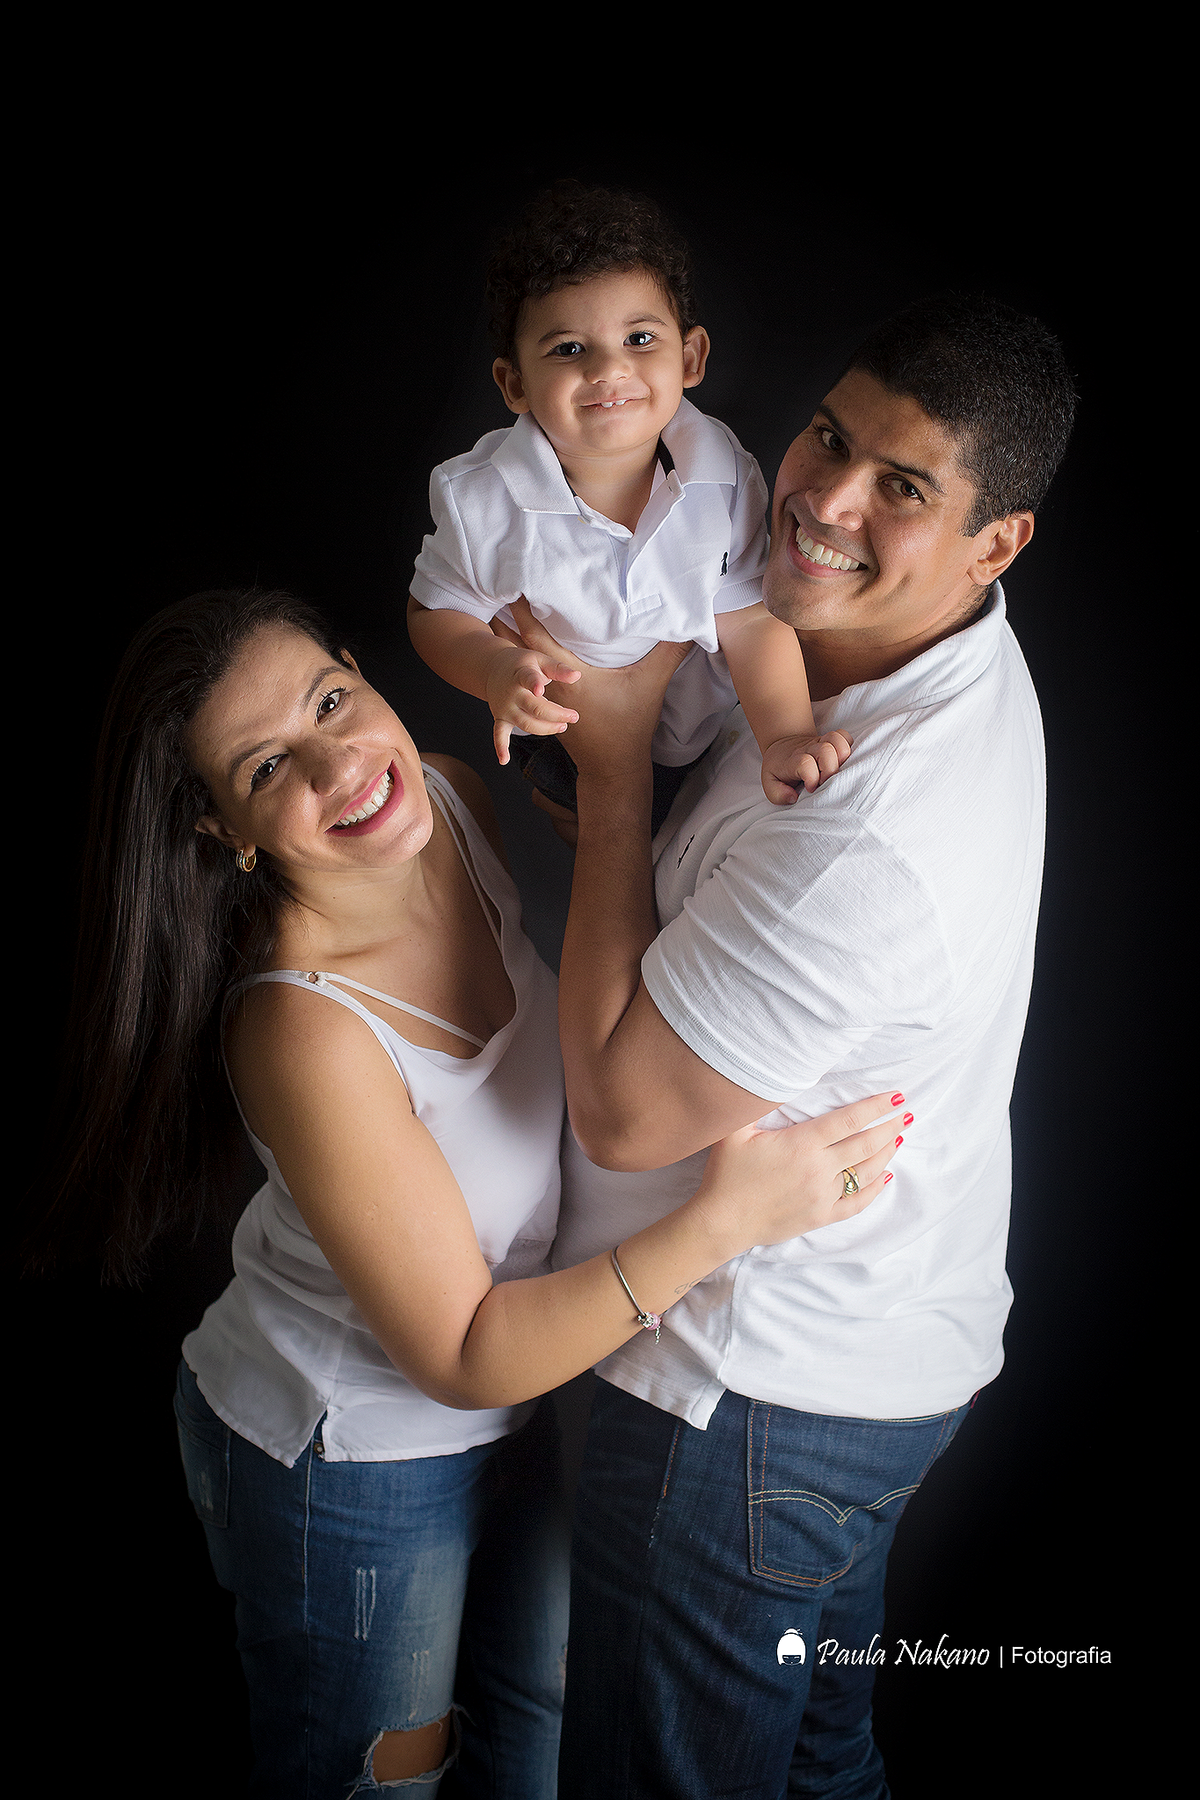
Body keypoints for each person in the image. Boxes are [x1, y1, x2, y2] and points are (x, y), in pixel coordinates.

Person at [39, 586, 904, 1798]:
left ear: (361, 673)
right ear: (221, 827)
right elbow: (460, 1352)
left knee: (538, 1729)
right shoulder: (303, 1029)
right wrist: (729, 1219)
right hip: (349, 1451)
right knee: (392, 1781)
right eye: (269, 766)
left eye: (331, 701)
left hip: (517, 1395)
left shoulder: (447, 797)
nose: (341, 765)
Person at [528, 294, 1077, 1798]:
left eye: (901, 486)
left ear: (995, 543)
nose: (824, 500)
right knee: (822, 1773)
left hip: (750, 1409)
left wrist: (618, 771)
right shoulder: (890, 639)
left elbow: (626, 1112)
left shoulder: (879, 831)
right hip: (870, 1364)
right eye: (830, 436)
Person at [407, 182, 839, 830]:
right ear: (515, 383)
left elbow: (750, 619)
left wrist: (784, 736)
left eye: (639, 338)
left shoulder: (723, 475)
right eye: (568, 348)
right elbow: (434, 611)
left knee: (689, 857)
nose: (609, 369)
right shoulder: (483, 498)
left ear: (689, 357)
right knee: (605, 849)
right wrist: (494, 668)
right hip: (568, 737)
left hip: (709, 727)